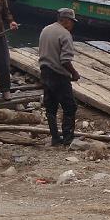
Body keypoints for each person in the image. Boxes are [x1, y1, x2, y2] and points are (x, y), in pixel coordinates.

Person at [38, 8, 81, 145]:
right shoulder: (65, 34)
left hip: (45, 71)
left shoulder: (46, 29)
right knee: (70, 106)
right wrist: (74, 73)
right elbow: (65, 60)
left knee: (51, 107)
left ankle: (55, 137)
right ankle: (68, 139)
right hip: (58, 74)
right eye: (72, 22)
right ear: (67, 21)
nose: (72, 25)